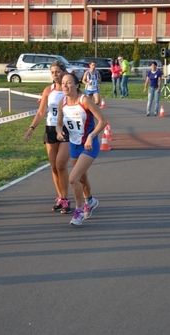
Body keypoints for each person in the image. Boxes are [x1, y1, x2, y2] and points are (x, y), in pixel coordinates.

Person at [56, 73, 107, 226]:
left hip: (88, 145)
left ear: (77, 85)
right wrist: (59, 132)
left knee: (73, 179)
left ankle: (78, 212)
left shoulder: (84, 100)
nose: (65, 86)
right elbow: (59, 124)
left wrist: (91, 136)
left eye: (69, 83)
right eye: (63, 83)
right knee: (82, 179)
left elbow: (103, 121)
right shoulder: (62, 102)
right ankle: (90, 200)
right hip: (74, 144)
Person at [24, 60, 71, 213]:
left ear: (63, 71)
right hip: (50, 128)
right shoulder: (48, 90)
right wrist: (31, 128)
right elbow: (41, 112)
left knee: (61, 164)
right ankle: (60, 196)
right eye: (52, 72)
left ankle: (65, 198)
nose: (55, 75)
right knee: (53, 166)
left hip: (65, 129)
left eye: (57, 72)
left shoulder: (69, 89)